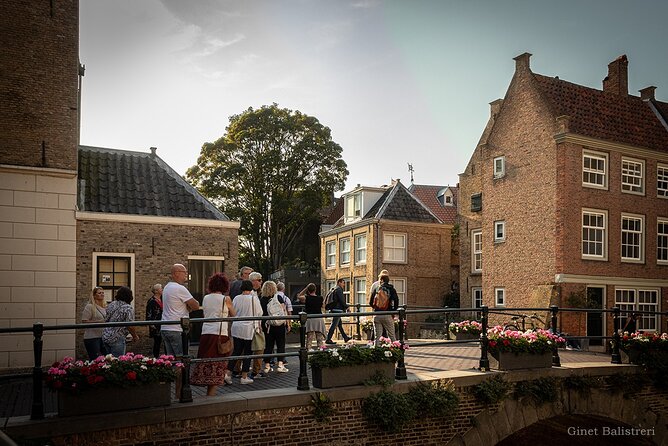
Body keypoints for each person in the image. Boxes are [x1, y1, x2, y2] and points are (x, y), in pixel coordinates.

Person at [191, 273, 236, 396]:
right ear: (225, 286)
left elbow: (205, 315)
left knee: (207, 363)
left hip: (206, 333)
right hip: (220, 334)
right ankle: (211, 395)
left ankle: (208, 393)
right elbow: (234, 314)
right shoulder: (226, 299)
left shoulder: (206, 298)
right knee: (218, 365)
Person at [161, 263, 200, 357]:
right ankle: (182, 372)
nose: (186, 275)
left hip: (165, 327)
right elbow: (196, 306)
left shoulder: (166, 287)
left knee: (171, 359)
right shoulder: (179, 288)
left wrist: (186, 306)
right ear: (176, 273)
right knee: (182, 359)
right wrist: (188, 306)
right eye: (184, 272)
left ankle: (173, 372)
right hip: (176, 329)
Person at [231, 280, 263, 384]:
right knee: (247, 352)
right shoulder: (254, 299)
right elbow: (260, 312)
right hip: (248, 329)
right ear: (251, 288)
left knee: (236, 351)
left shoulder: (236, 298)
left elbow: (233, 311)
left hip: (236, 327)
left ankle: (227, 373)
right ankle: (244, 376)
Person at [260, 280, 289, 374]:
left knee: (268, 345)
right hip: (279, 324)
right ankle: (280, 364)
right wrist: (287, 323)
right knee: (281, 344)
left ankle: (267, 365)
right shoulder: (278, 297)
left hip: (267, 325)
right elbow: (284, 310)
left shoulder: (262, 299)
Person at [102, 286, 139, 357]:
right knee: (117, 361)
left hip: (105, 336)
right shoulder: (128, 308)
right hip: (117, 338)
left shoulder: (111, 304)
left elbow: (106, 319)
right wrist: (135, 336)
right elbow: (130, 325)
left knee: (108, 361)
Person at [369, 270, 399, 345]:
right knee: (392, 336)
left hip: (377, 315)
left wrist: (376, 307)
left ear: (381, 279)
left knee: (377, 337)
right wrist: (393, 310)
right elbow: (396, 301)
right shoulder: (391, 289)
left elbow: (370, 302)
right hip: (387, 314)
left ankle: (376, 354)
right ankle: (395, 353)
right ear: (388, 280)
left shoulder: (376, 289)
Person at [81, 287, 107, 360]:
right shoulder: (89, 307)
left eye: (103, 293)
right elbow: (84, 321)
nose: (102, 294)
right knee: (95, 359)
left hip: (103, 337)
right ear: (94, 295)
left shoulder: (104, 307)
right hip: (92, 337)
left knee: (106, 357)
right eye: (99, 293)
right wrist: (99, 322)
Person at [298, 283, 326, 351]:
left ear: (308, 290)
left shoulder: (306, 298)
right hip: (318, 318)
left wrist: (305, 288)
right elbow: (323, 306)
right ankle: (320, 350)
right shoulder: (320, 298)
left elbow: (299, 296)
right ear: (315, 290)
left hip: (310, 318)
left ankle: (309, 350)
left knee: (309, 337)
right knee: (319, 337)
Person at [325, 278, 351, 345]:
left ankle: (345, 337)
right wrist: (347, 307)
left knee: (339, 324)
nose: (344, 284)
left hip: (333, 309)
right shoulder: (339, 289)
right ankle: (328, 339)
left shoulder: (333, 288)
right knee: (334, 324)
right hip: (338, 310)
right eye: (343, 283)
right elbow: (342, 300)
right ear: (339, 282)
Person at [145, 283, 163, 357]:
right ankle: (156, 357)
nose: (162, 290)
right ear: (156, 291)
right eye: (161, 288)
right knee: (157, 342)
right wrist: (151, 324)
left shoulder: (163, 299)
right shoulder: (151, 301)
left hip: (163, 323)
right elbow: (148, 313)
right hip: (156, 325)